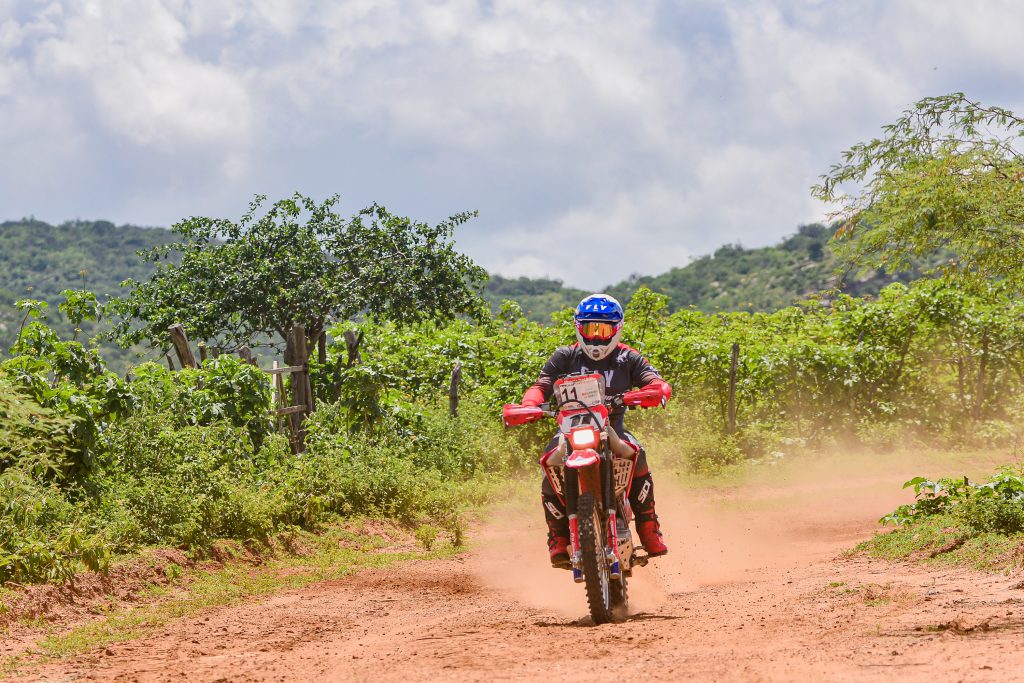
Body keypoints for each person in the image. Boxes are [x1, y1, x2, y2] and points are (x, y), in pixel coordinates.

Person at [520, 293, 671, 568]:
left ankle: (649, 529)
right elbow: (541, 385)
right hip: (570, 430)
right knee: (548, 462)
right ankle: (557, 536)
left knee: (639, 454)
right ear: (579, 328)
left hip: (612, 428)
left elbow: (654, 380)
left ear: (617, 329)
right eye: (591, 329)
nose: (597, 338)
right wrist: (530, 405)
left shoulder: (628, 357)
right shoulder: (565, 356)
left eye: (603, 330)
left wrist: (653, 391)